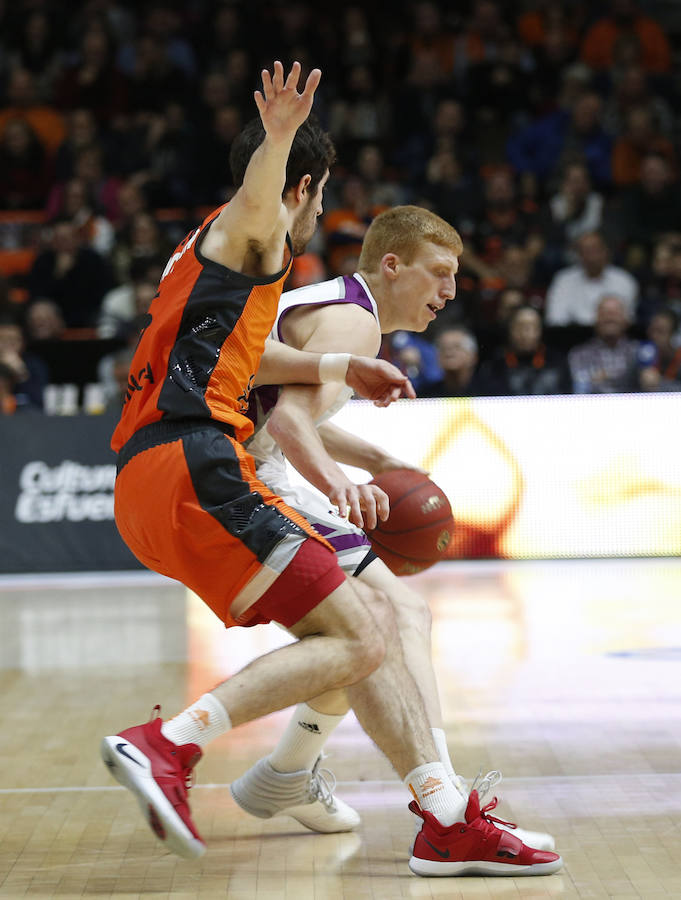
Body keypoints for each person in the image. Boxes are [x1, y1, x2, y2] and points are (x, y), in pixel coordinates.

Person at [101, 61, 561, 878]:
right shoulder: (262, 233)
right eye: (316, 198)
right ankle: (176, 746)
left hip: (154, 476)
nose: (318, 216)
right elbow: (279, 411)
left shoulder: (199, 265)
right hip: (207, 465)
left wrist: (333, 377)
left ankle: (343, 788)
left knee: (371, 625)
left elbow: (246, 364)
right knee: (378, 624)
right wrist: (279, 140)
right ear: (303, 190)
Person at [229, 208, 554, 856]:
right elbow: (289, 425)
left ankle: (287, 773)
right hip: (242, 474)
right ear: (390, 265)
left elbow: (278, 411)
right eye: (439, 273)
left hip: (245, 460)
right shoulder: (354, 319)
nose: (450, 291)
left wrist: (373, 461)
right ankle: (447, 801)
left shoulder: (339, 310)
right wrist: (338, 484)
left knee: (365, 633)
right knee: (398, 614)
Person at [545, 231, 638, 326]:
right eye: (585, 251)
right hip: (572, 337)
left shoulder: (624, 281)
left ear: (606, 251)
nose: (591, 257)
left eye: (595, 250)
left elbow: (627, 320)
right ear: (578, 255)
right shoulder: (563, 280)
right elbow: (555, 319)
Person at [476, 305, 572, 396]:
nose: (526, 333)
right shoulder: (493, 366)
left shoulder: (557, 363)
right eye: (520, 326)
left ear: (541, 330)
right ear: (509, 329)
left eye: (533, 326)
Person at [568, 294, 639, 393]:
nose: (610, 318)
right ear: (595, 319)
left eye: (615, 313)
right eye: (604, 313)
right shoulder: (579, 354)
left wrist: (604, 378)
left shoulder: (638, 351)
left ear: (626, 320)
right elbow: (579, 390)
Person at [419, 325, 481, 397]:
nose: (449, 353)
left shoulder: (490, 394)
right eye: (443, 348)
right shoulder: (426, 397)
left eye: (457, 347)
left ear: (473, 356)